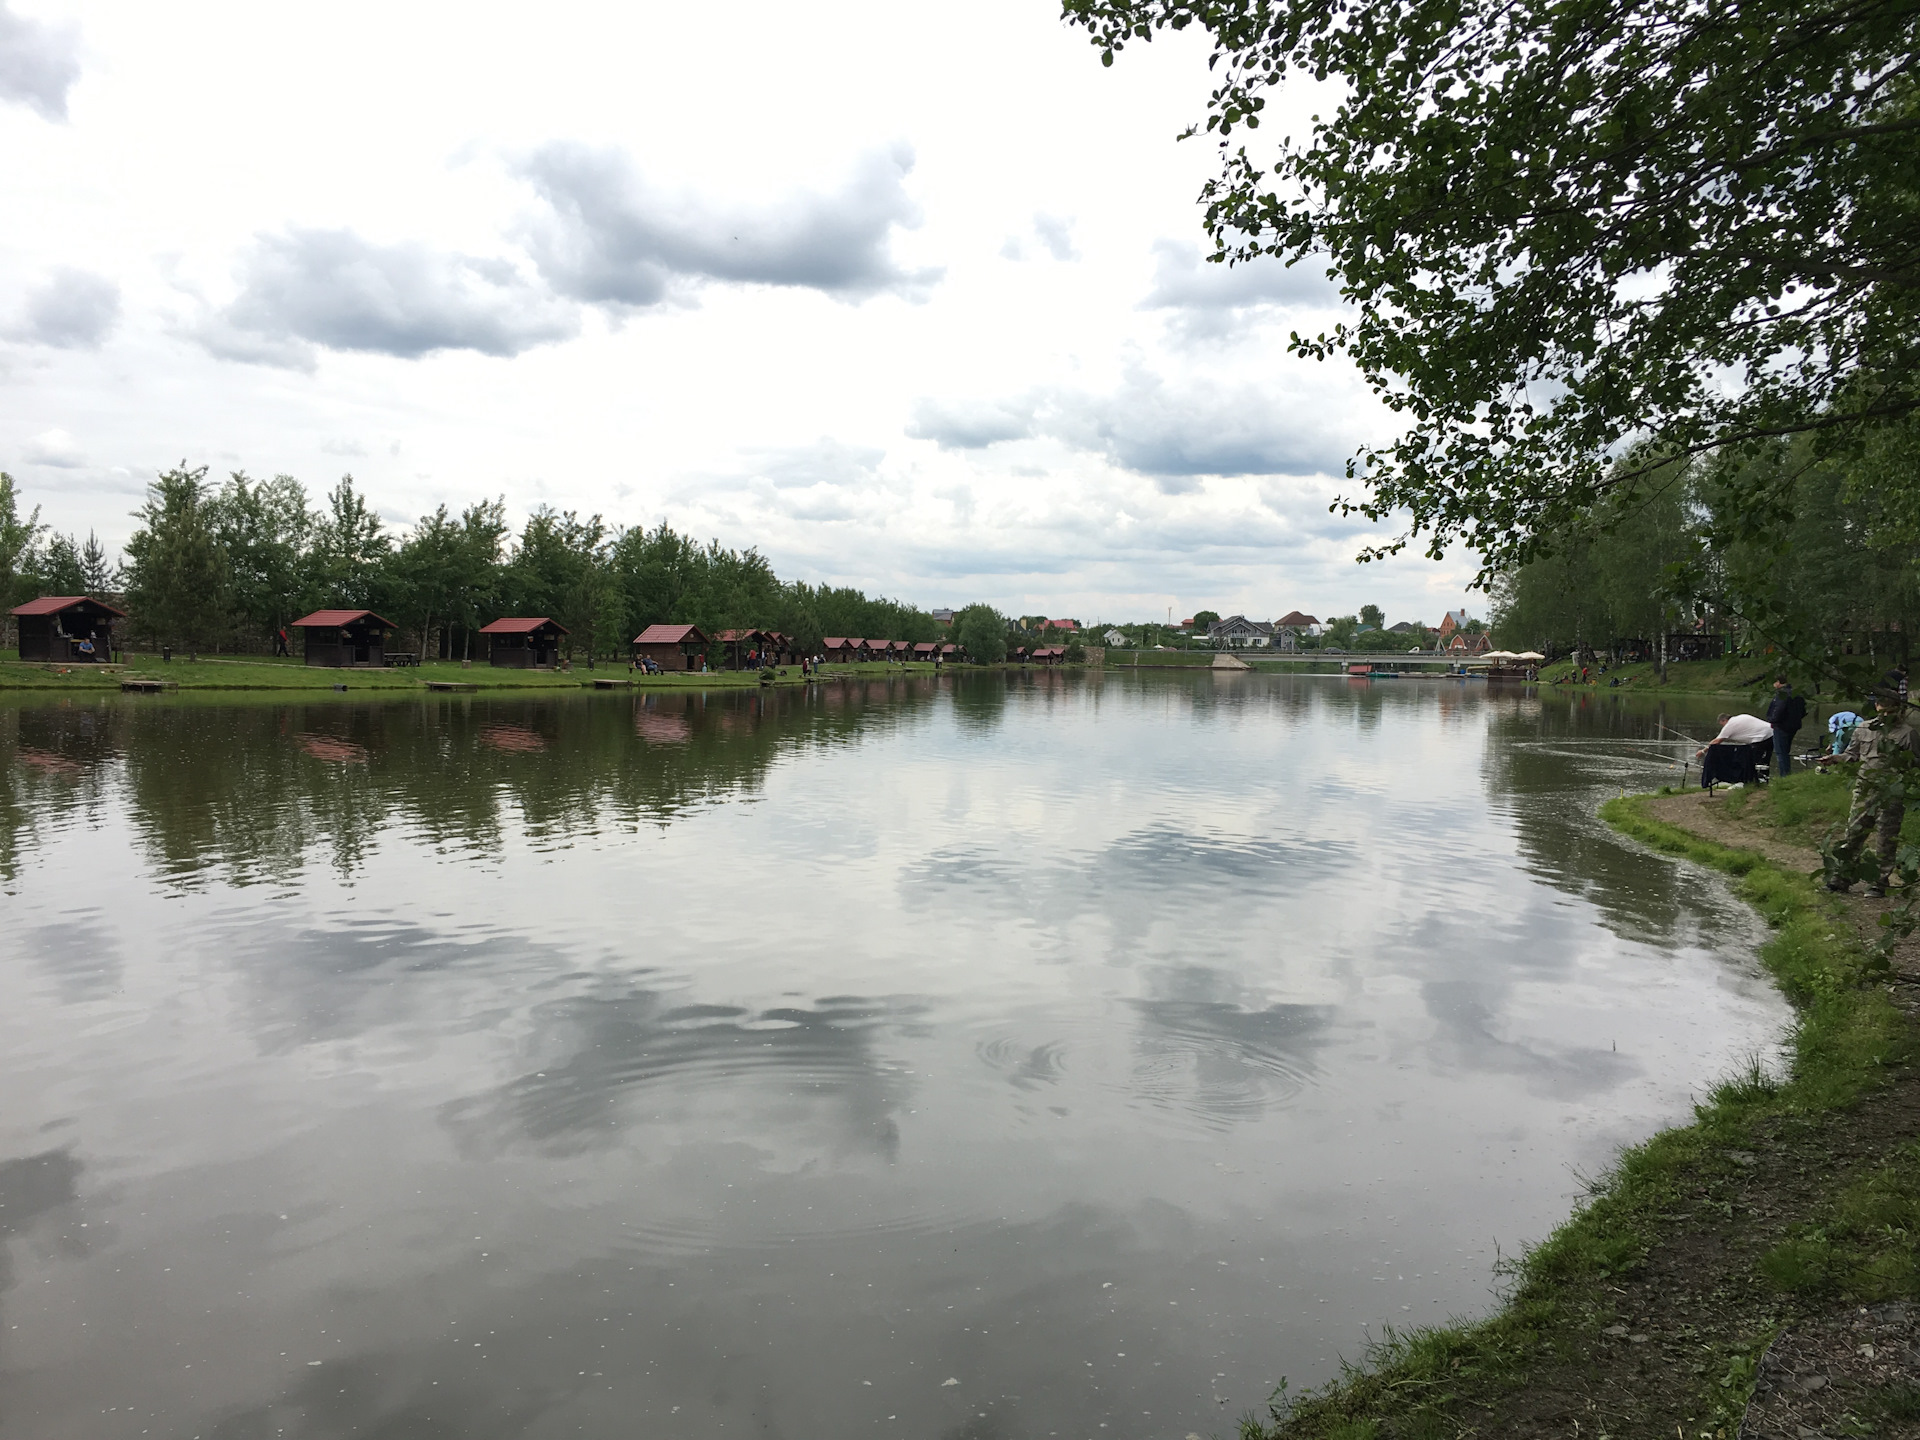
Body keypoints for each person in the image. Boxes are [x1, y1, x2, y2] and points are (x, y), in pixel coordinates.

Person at [1817, 676, 1918, 895]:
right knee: (1853, 835)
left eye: (1890, 711)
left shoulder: (1907, 733)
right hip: (1864, 789)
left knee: (1886, 839)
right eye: (1882, 709)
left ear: (1898, 709)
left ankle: (1879, 882)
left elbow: (1915, 765)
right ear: (1876, 707)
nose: (1885, 715)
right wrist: (1834, 759)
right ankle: (1841, 878)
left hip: (1891, 793)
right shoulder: (1863, 728)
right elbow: (1851, 755)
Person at [1694, 712, 1773, 789]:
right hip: (1772, 732)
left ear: (1724, 720)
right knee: (1764, 760)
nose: (1723, 727)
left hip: (1761, 738)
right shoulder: (1741, 717)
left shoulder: (1730, 725)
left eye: (1722, 724)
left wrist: (1703, 751)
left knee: (1751, 760)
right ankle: (1763, 780)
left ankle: (1749, 781)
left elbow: (1716, 741)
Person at [1764, 676, 1809, 776]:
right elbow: (1803, 710)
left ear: (1778, 682)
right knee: (1786, 751)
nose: (1773, 685)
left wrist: (1772, 720)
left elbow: (1779, 710)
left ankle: (1784, 776)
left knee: (1781, 753)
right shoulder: (1797, 694)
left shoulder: (1781, 695)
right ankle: (1786, 774)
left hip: (1781, 726)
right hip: (1794, 726)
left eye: (1774, 682)